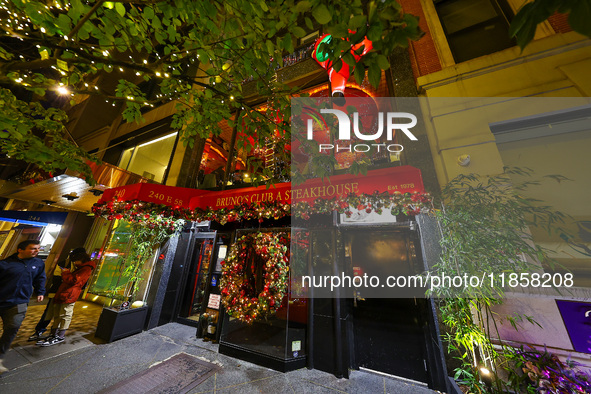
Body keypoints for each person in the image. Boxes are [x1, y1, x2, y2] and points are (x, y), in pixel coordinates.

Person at [0, 240, 46, 374]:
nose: (37, 251)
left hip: (19, 302)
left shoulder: (38, 264)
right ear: (20, 249)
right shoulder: (5, 264)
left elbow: (40, 278)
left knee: (12, 327)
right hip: (1, 300)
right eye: (33, 249)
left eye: (38, 248)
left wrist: (40, 291)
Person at [37, 250, 95, 347]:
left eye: (76, 261)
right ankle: (53, 334)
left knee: (65, 314)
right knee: (58, 314)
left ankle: (59, 336)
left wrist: (66, 273)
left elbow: (74, 280)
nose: (75, 263)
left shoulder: (85, 268)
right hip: (64, 293)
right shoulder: (81, 268)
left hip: (70, 294)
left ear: (81, 259)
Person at [28, 248, 85, 342]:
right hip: (56, 292)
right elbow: (57, 279)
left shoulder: (83, 267)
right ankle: (40, 331)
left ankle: (54, 333)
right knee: (49, 313)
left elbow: (80, 282)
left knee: (62, 314)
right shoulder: (64, 263)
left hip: (69, 295)